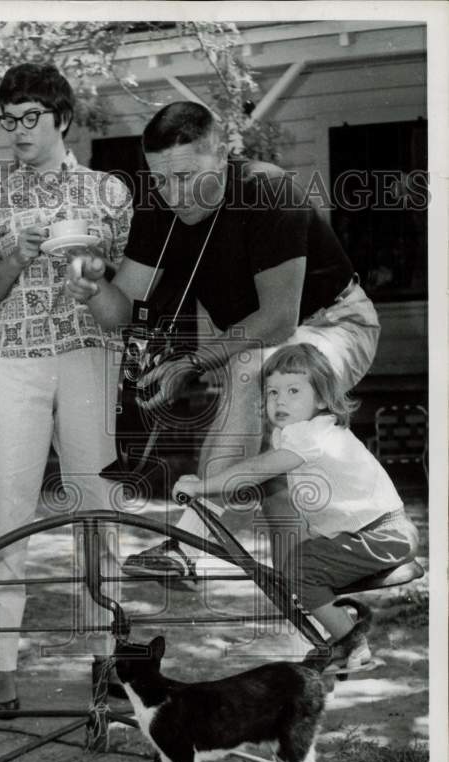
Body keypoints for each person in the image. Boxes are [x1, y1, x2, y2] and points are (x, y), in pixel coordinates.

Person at [66, 101, 381, 579]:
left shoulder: (267, 190)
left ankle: (190, 544)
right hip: (256, 347)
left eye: (189, 176)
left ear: (225, 154)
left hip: (334, 324)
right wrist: (92, 288)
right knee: (278, 486)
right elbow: (124, 312)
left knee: (261, 374)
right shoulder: (161, 205)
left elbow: (279, 318)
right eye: (162, 179)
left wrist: (193, 361)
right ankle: (328, 630)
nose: (175, 193)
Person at [0, 63, 132, 708]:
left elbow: (122, 310)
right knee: (3, 511)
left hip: (89, 356)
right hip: (13, 359)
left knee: (97, 508)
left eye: (30, 117)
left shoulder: (110, 194)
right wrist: (14, 257)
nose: (18, 130)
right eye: (9, 119)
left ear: (62, 117)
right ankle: (0, 672)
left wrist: (91, 284)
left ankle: (107, 659)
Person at [174, 343, 419, 670]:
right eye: (272, 392)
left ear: (320, 398)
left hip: (381, 534)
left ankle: (351, 643)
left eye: (293, 390)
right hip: (379, 533)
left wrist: (201, 486)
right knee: (298, 562)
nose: (280, 400)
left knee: (301, 567)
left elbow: (253, 471)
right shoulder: (295, 434)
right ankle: (333, 632)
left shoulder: (310, 434)